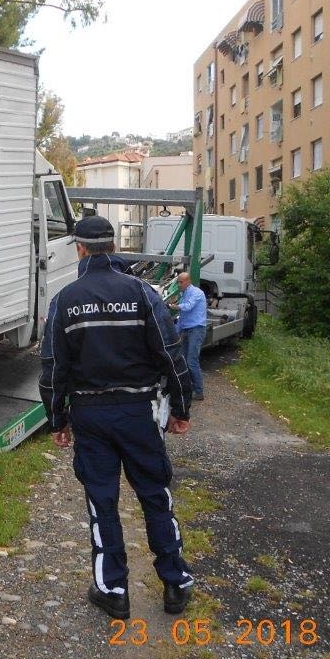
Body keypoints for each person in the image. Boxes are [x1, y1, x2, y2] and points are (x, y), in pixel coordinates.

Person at [39, 215, 195, 620]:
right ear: (113, 247)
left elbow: (53, 367)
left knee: (102, 501)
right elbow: (171, 354)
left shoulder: (65, 300)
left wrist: (57, 420)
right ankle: (175, 583)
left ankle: (114, 591)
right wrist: (181, 408)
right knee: (155, 495)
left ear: (80, 249)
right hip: (139, 412)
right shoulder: (142, 293)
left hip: (90, 415)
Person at [170, 272, 207, 401]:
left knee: (192, 361)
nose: (179, 285)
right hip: (186, 329)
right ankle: (188, 388)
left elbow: (188, 307)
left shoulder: (197, 293)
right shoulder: (184, 294)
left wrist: (176, 306)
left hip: (196, 329)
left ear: (187, 281)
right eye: (178, 282)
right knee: (184, 361)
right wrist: (176, 332)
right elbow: (183, 317)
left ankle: (199, 391)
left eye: (181, 282)